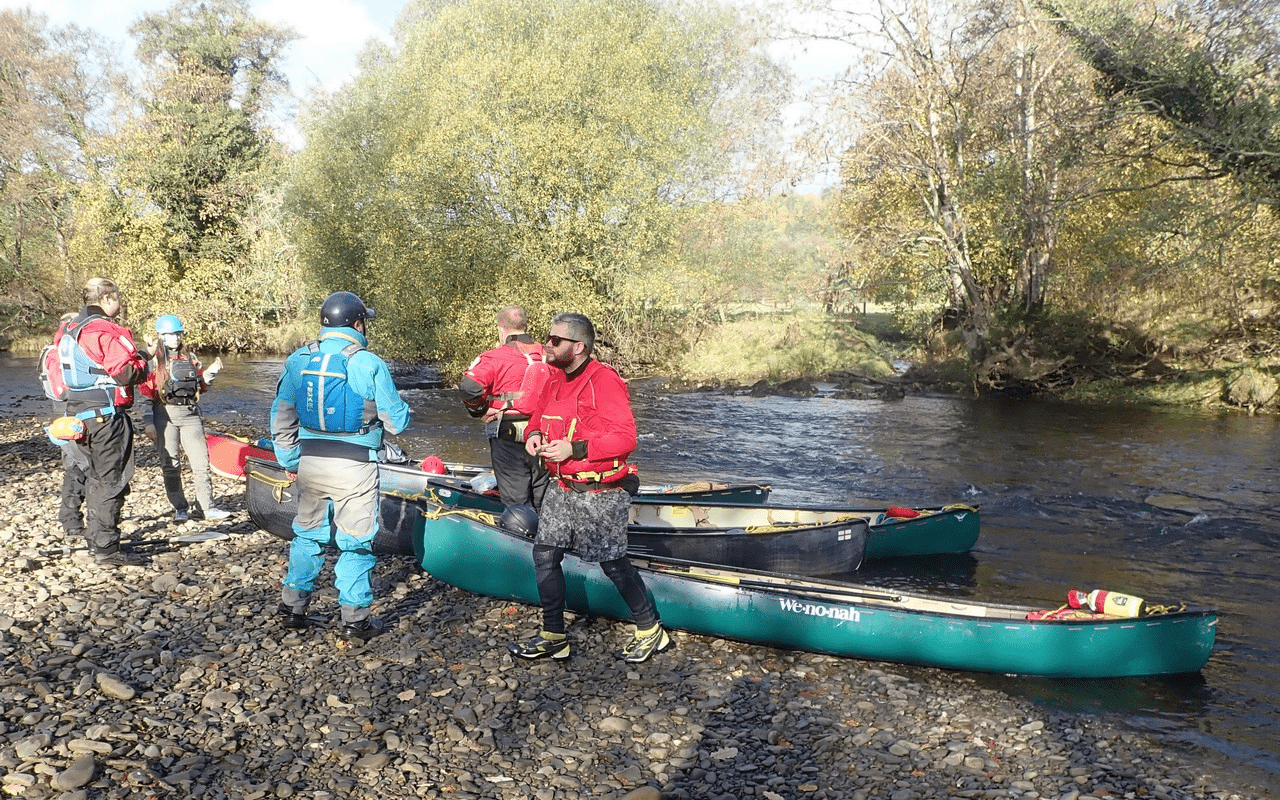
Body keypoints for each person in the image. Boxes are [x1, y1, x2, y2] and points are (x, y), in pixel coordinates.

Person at [509, 312, 672, 663]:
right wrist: (534, 436)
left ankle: (650, 629)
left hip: (602, 491)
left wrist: (575, 448)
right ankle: (553, 635)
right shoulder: (553, 378)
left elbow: (626, 438)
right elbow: (538, 418)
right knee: (545, 555)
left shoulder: (604, 380)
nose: (547, 345)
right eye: (548, 338)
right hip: (562, 486)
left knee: (613, 564)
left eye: (556, 340)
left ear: (579, 347)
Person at [270, 291, 411, 641]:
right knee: (356, 542)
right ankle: (354, 620)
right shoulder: (368, 363)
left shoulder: (298, 359)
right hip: (355, 467)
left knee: (306, 533)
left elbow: (281, 416)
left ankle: (293, 608)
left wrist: (289, 460)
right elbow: (396, 422)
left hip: (310, 462)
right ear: (358, 324)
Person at [59, 278, 151, 567]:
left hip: (78, 413)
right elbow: (124, 373)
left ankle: (95, 539)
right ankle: (107, 548)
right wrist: (146, 358)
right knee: (111, 480)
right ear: (108, 296)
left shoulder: (70, 329)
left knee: (95, 477)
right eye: (118, 297)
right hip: (105, 416)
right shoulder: (103, 330)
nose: (120, 304)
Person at [139, 314, 229, 522]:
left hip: (190, 415)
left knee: (201, 463)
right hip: (164, 416)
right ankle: (180, 506)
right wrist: (148, 423)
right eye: (171, 334)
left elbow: (201, 387)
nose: (176, 338)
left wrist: (211, 373)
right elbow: (144, 394)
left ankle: (206, 506)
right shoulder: (152, 362)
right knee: (171, 465)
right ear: (161, 336)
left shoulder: (191, 358)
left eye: (178, 334)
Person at [458, 305, 550, 509]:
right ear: (525, 326)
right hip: (546, 435)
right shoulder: (548, 355)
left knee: (516, 504)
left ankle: (519, 537)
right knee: (543, 501)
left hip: (509, 436)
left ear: (501, 329)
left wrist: (480, 410)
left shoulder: (495, 356)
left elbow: (468, 388)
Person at [50, 312, 88, 543]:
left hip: (64, 416)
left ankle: (73, 520)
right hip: (70, 417)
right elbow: (62, 390)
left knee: (76, 468)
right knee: (78, 468)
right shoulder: (62, 353)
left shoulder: (54, 351)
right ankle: (72, 522)